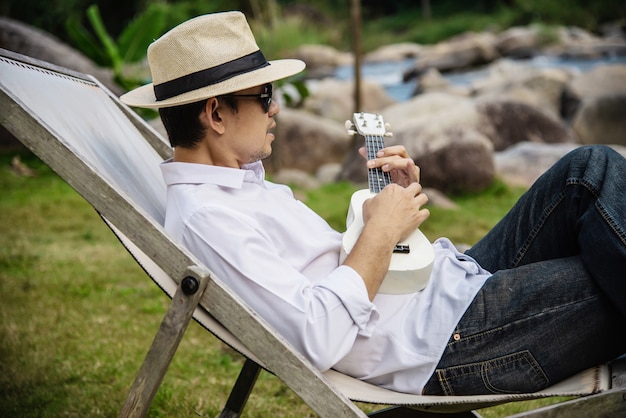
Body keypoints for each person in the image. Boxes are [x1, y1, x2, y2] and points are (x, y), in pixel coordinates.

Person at [120, 11, 626, 396]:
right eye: (265, 94)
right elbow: (316, 334)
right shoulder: (209, 218)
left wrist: (381, 213)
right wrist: (381, 232)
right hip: (442, 340)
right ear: (216, 114)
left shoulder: (239, 186)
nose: (276, 107)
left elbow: (320, 268)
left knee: (590, 167)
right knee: (604, 272)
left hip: (446, 289)